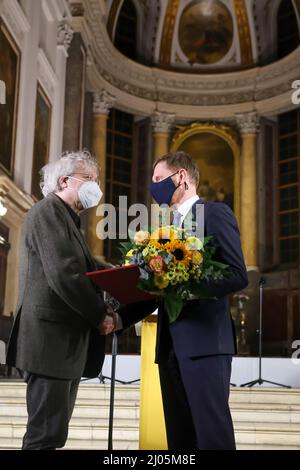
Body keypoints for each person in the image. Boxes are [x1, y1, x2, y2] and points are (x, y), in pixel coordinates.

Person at [119, 151, 248, 450]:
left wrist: (186, 282)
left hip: (204, 344)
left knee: (211, 437)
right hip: (169, 348)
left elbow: (238, 274)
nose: (153, 187)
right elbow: (157, 288)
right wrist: (120, 317)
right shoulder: (163, 229)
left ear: (181, 177)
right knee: (179, 439)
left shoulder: (215, 213)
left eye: (158, 179)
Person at [6, 150, 115, 450]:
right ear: (65, 181)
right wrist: (99, 315)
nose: (96, 186)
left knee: (53, 434)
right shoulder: (47, 212)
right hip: (49, 343)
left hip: (61, 344)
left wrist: (126, 273)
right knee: (44, 435)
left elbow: (86, 267)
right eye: (90, 179)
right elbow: (66, 273)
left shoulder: (67, 218)